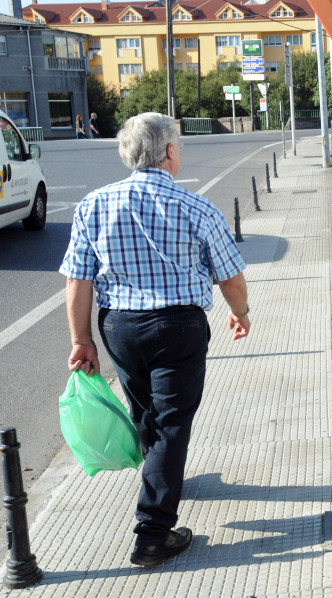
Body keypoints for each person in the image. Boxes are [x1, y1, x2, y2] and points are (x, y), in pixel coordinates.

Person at [59, 112, 251, 568]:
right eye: (179, 147)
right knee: (171, 424)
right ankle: (152, 533)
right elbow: (231, 277)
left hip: (119, 327)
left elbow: (77, 281)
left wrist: (81, 339)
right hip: (177, 327)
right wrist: (240, 313)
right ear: (168, 152)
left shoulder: (93, 205)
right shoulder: (197, 207)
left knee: (145, 407)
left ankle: (159, 473)